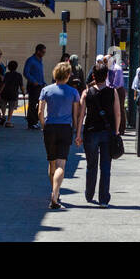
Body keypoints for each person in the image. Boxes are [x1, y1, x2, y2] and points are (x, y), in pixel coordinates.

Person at [39, 61, 83, 210]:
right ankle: (55, 194)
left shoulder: (46, 90)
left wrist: (43, 125)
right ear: (67, 75)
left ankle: (54, 192)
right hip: (65, 128)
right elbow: (75, 115)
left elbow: (40, 112)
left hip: (50, 127)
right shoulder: (73, 92)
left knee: (51, 162)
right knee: (61, 164)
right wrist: (77, 133)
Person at [78, 64, 122, 206]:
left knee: (91, 165)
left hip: (90, 132)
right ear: (107, 76)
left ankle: (89, 194)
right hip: (107, 133)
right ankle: (103, 199)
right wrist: (116, 131)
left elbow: (81, 115)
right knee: (105, 167)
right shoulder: (112, 92)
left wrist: (78, 133)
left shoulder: (87, 93)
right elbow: (118, 113)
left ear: (93, 76)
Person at [24, 44, 47, 130]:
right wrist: (34, 81)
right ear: (38, 51)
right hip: (33, 86)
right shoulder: (31, 60)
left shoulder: (40, 60)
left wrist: (43, 82)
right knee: (33, 104)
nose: (44, 54)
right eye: (43, 52)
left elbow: (40, 73)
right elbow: (26, 72)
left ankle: (35, 120)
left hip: (40, 85)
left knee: (40, 103)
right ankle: (31, 123)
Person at [0, 60, 23, 126]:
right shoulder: (19, 75)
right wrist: (23, 92)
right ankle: (8, 121)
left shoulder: (7, 74)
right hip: (14, 93)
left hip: (5, 92)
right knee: (11, 107)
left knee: (3, 105)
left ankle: (3, 115)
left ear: (9, 67)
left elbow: (4, 84)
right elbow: (21, 85)